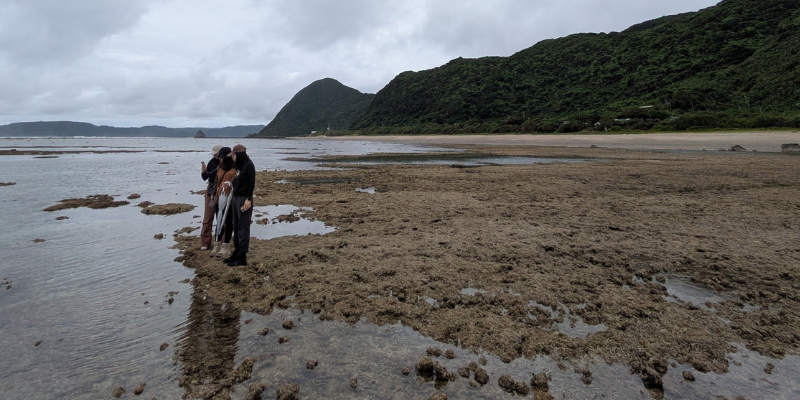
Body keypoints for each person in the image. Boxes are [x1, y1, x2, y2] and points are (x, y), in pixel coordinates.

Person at [223, 144, 255, 266]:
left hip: (244, 199)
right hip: (236, 198)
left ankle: (242, 257)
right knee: (236, 227)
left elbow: (251, 182)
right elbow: (238, 182)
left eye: (234, 155)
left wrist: (248, 199)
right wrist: (230, 184)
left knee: (243, 228)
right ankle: (236, 253)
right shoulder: (238, 166)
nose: (232, 157)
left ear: (239, 154)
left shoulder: (249, 165)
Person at [211, 146, 235, 257]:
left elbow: (236, 183)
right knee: (219, 220)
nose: (220, 159)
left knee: (228, 222)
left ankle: (226, 245)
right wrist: (213, 193)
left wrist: (230, 185)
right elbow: (216, 182)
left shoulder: (234, 169)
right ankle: (217, 243)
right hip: (219, 198)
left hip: (229, 199)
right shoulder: (220, 168)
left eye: (221, 157)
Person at [200, 144, 223, 250]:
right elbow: (205, 177)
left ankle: (221, 241)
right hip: (211, 190)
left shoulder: (228, 163)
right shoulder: (212, 162)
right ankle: (205, 243)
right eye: (214, 154)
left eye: (216, 154)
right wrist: (203, 172)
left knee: (222, 217)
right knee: (208, 217)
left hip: (222, 191)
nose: (215, 156)